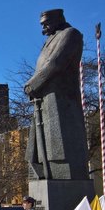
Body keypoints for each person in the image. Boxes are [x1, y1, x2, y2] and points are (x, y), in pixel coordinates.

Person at [24, 9, 89, 181]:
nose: (43, 27)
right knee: (42, 144)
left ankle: (60, 174)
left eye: (46, 22)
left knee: (60, 142)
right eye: (42, 24)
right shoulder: (49, 40)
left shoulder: (71, 34)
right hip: (43, 96)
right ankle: (46, 172)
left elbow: (56, 63)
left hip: (61, 97)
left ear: (59, 19)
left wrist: (33, 83)